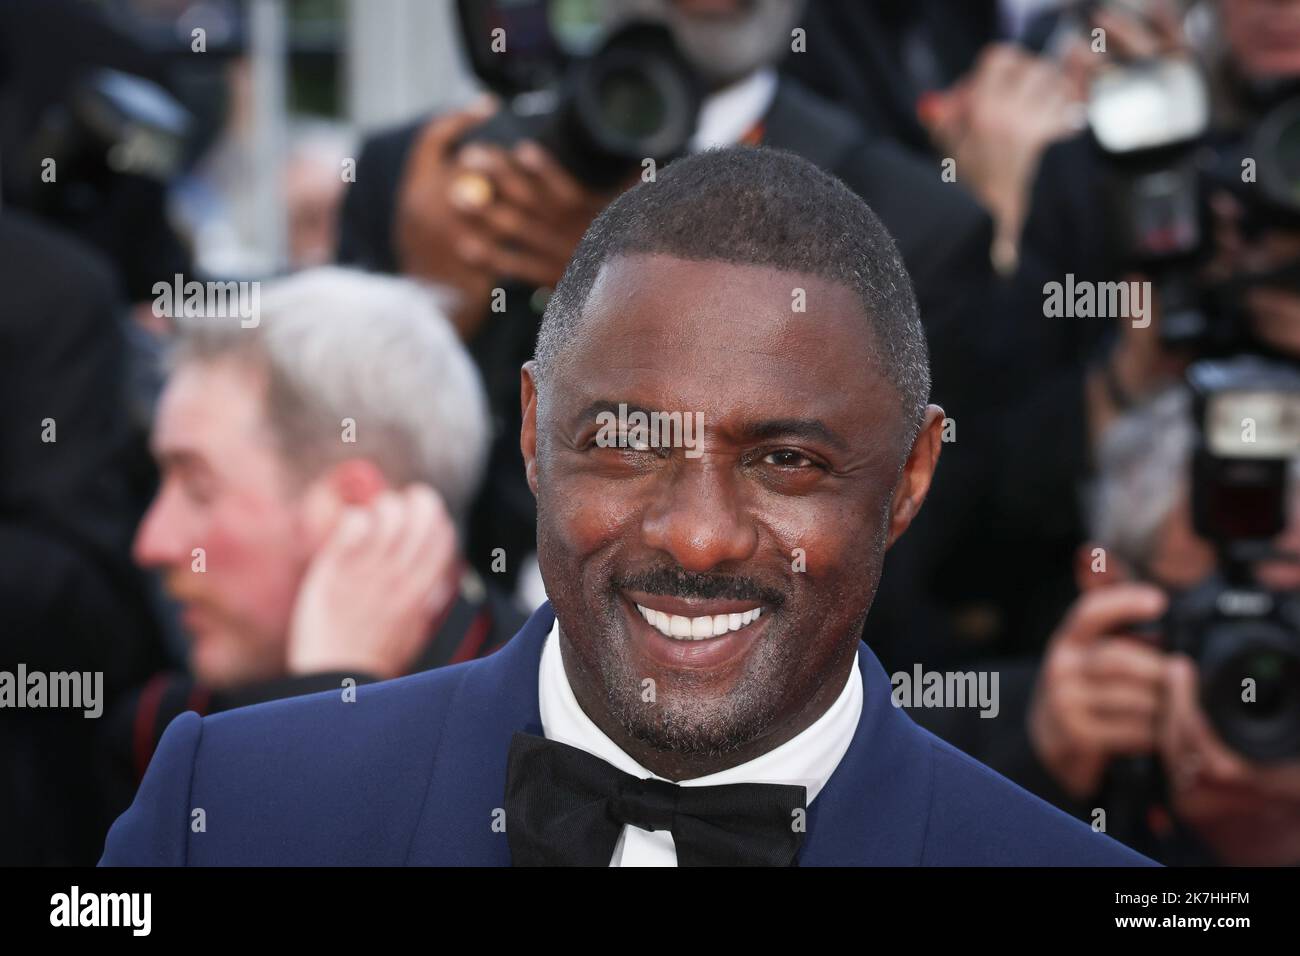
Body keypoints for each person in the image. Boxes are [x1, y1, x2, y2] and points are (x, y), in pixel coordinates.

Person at [102, 148, 1149, 866]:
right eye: (626, 443)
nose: (697, 534)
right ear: (532, 430)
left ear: (912, 476)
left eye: (785, 460)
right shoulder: (234, 813)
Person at [338, 0, 994, 599]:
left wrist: (613, 289)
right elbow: (326, 498)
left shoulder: (918, 228)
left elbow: (906, 578)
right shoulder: (426, 179)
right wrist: (429, 308)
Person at [101, 267, 523, 820]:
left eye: (199, 489)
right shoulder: (161, 734)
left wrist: (324, 702)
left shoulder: (544, 742)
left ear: (356, 514)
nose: (151, 544)